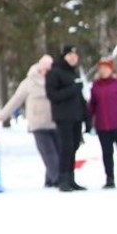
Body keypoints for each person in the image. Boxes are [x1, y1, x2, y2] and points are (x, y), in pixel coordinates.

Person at [0, 55, 57, 187]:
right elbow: (16, 100)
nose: (46, 72)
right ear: (39, 67)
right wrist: (2, 115)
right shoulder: (29, 82)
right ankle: (57, 178)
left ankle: (50, 180)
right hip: (38, 123)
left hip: (55, 122)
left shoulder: (55, 80)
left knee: (57, 151)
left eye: (49, 69)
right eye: (44, 69)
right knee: (48, 152)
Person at [45, 44, 88, 192]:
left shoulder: (73, 73)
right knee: (66, 147)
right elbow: (52, 95)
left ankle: (71, 178)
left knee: (74, 147)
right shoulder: (54, 73)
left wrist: (86, 116)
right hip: (63, 116)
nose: (73, 58)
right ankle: (62, 179)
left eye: (75, 56)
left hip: (76, 116)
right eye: (70, 55)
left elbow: (80, 98)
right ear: (64, 56)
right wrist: (72, 89)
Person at [87, 57, 117, 189]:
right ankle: (109, 178)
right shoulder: (95, 86)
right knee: (107, 153)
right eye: (101, 68)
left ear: (111, 69)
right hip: (102, 126)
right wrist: (88, 120)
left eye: (106, 68)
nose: (103, 70)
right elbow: (92, 105)